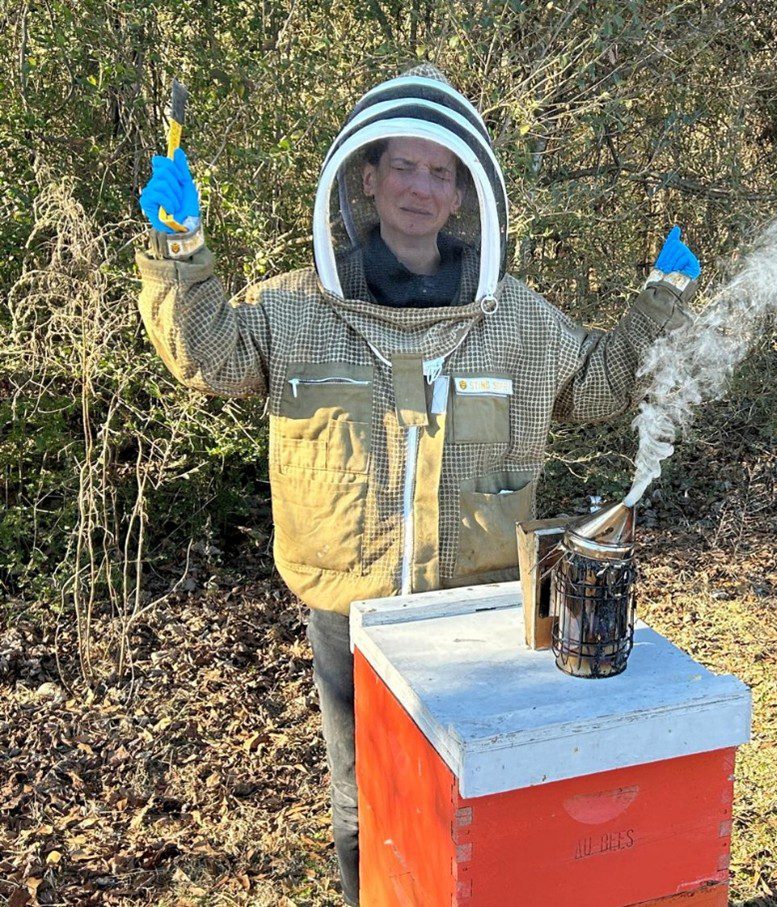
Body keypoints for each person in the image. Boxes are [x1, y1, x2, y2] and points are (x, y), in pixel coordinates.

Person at [136, 65, 700, 906]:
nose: (419, 188)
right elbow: (205, 354)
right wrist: (180, 250)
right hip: (351, 610)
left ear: (465, 196)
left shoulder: (514, 316)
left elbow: (600, 385)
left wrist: (659, 302)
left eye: (441, 173)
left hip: (479, 610)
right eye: (403, 166)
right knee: (363, 803)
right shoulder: (294, 308)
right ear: (363, 176)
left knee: (485, 799)